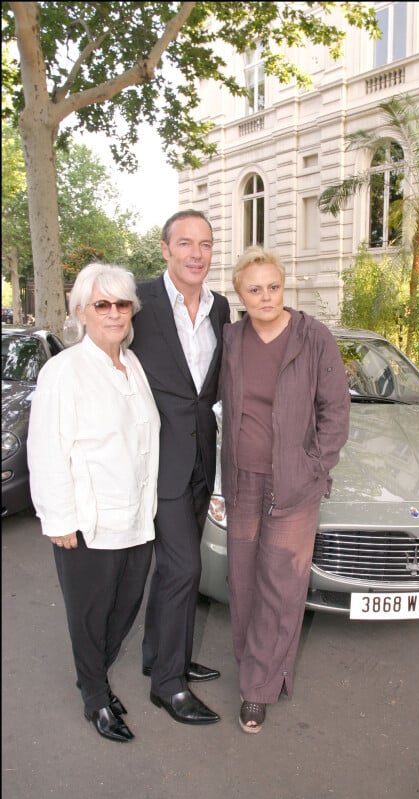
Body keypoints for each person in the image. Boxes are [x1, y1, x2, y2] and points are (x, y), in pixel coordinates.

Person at [218, 246, 351, 733]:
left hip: (294, 485)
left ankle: (258, 688)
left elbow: (335, 411)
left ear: (284, 285)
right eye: (255, 289)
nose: (266, 296)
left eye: (273, 285)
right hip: (242, 480)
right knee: (243, 580)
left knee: (281, 586)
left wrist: (314, 467)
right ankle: (255, 664)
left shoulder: (313, 337)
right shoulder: (231, 339)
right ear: (240, 295)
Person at [27, 263, 161, 743]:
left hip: (136, 519)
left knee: (124, 607)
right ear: (81, 312)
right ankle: (94, 697)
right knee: (89, 614)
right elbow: (45, 450)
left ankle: (96, 677)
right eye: (101, 304)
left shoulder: (134, 364)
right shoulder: (63, 371)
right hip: (86, 521)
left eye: (121, 304)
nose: (113, 313)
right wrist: (59, 518)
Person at [130, 209, 230, 726]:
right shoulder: (138, 301)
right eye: (186, 243)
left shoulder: (220, 308)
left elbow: (212, 388)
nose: (197, 253)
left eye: (206, 244)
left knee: (176, 568)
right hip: (158, 460)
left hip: (200, 459)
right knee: (185, 569)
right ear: (165, 249)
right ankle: (168, 686)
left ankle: (162, 655)